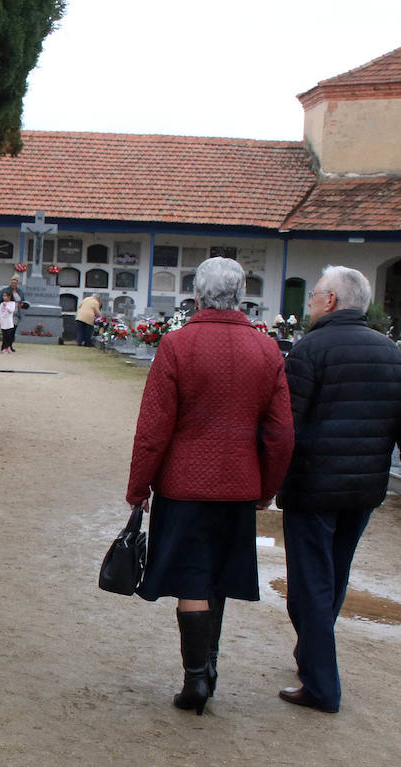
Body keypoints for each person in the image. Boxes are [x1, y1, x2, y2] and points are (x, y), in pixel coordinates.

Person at [124, 257, 294, 715]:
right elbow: (281, 433)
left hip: (184, 486)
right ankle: (209, 666)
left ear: (196, 296)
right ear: (241, 297)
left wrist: (139, 486)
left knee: (194, 579)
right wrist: (266, 489)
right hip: (239, 485)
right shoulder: (267, 351)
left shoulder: (177, 346)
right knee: (215, 576)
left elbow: (154, 428)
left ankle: (196, 678)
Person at [275, 266, 401, 713]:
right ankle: (312, 654)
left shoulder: (309, 350)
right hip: (363, 489)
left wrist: (271, 479)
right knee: (335, 575)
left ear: (330, 301)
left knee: (310, 585)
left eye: (313, 296)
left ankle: (322, 688)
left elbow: (286, 424)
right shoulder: (390, 351)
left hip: (313, 486)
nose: (308, 303)